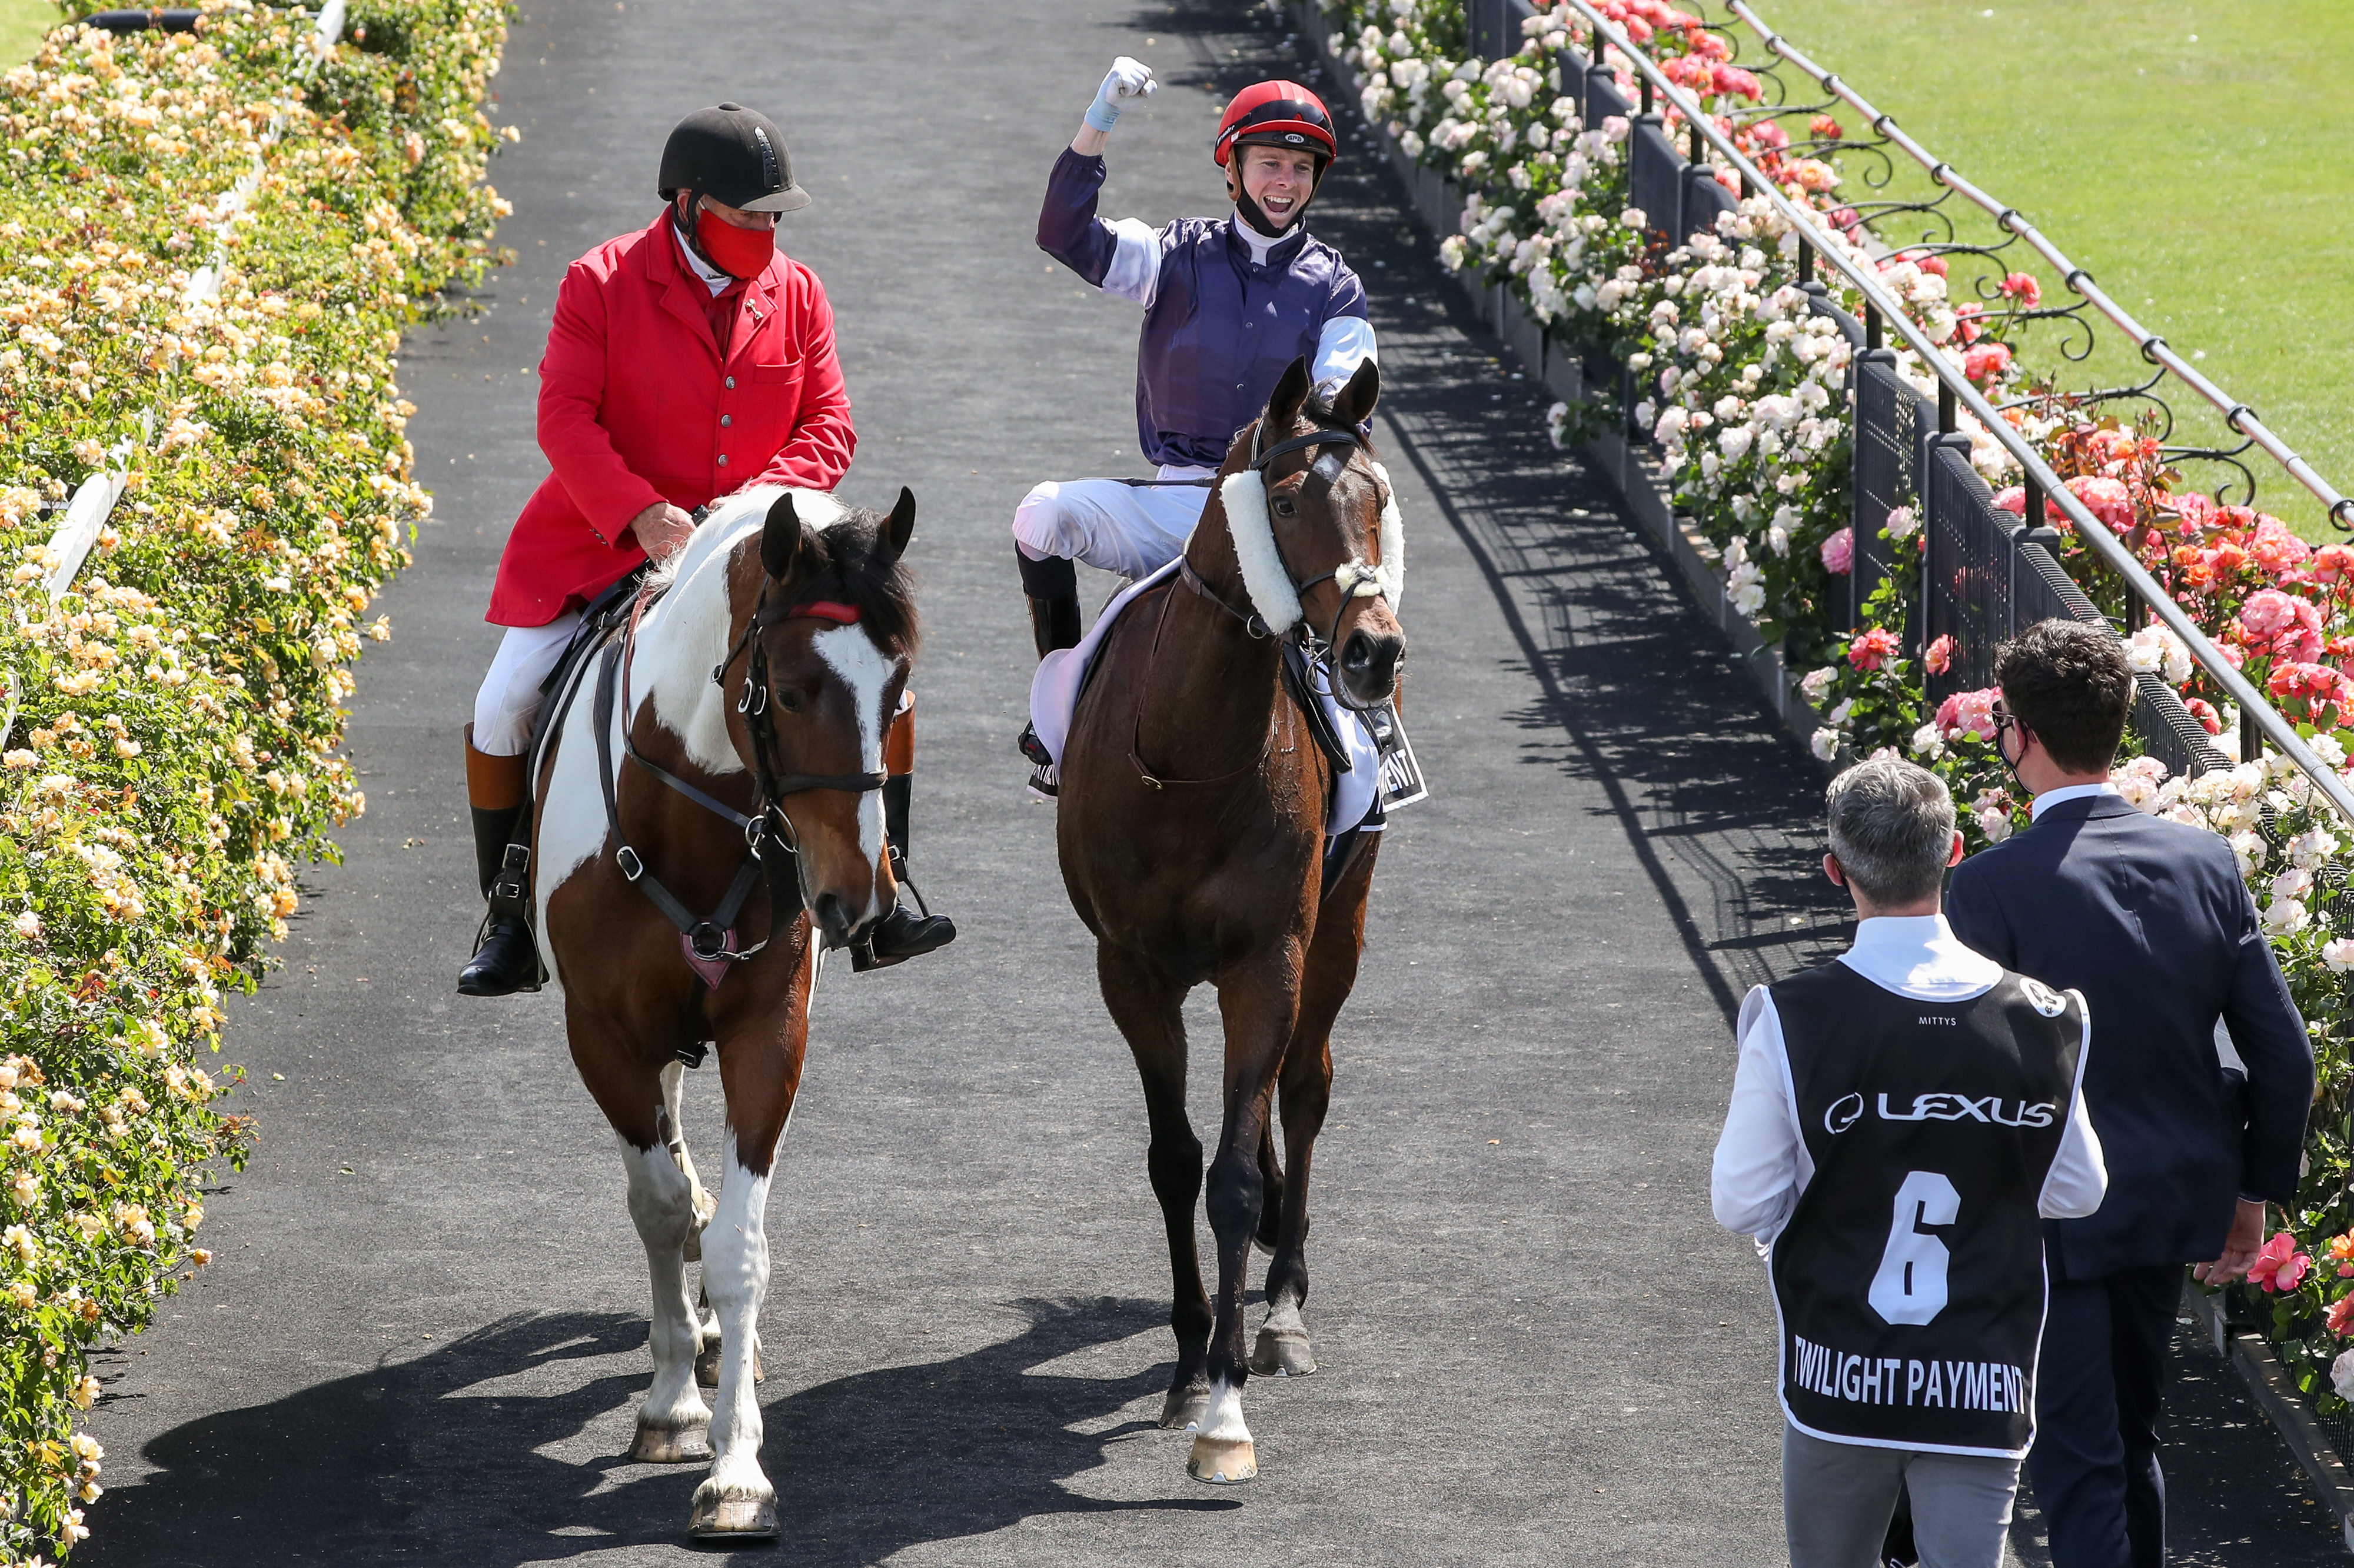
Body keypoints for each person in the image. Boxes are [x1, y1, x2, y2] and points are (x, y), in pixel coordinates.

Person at [458, 102, 953, 996]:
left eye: (775, 217)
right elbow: (563, 419)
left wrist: (748, 509)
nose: (768, 232)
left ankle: (885, 895)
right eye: (749, 216)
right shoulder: (599, 282)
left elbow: (830, 424)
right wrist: (642, 514)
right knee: (502, 706)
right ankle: (509, 915)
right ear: (687, 205)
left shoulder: (797, 294)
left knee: (888, 691)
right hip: (603, 546)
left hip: (754, 554)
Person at [1944, 619, 2313, 1568]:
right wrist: (2251, 1192)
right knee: (2122, 1442)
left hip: (2045, 1217)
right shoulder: (2203, 864)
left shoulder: (1988, 889)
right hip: (2169, 1195)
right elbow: (2283, 1054)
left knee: (2080, 1458)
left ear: (2018, 733)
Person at [1713, 757, 2109, 1568]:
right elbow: (2078, 1189)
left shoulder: (1793, 1015)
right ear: (1954, 851)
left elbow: (1743, 1200)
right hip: (1982, 1376)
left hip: (1840, 1373)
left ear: (1835, 870)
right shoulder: (2043, 1017)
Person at [1013, 61, 1377, 785]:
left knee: (1357, 770)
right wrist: (1100, 118)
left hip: (1277, 517)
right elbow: (1063, 233)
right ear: (1232, 169)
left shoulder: (1337, 286)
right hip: (1177, 500)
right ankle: (1062, 706)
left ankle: (1368, 760)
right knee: (1039, 517)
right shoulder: (1172, 254)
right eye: (1269, 162)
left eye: (1301, 168)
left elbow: (1343, 406)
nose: (1286, 182)